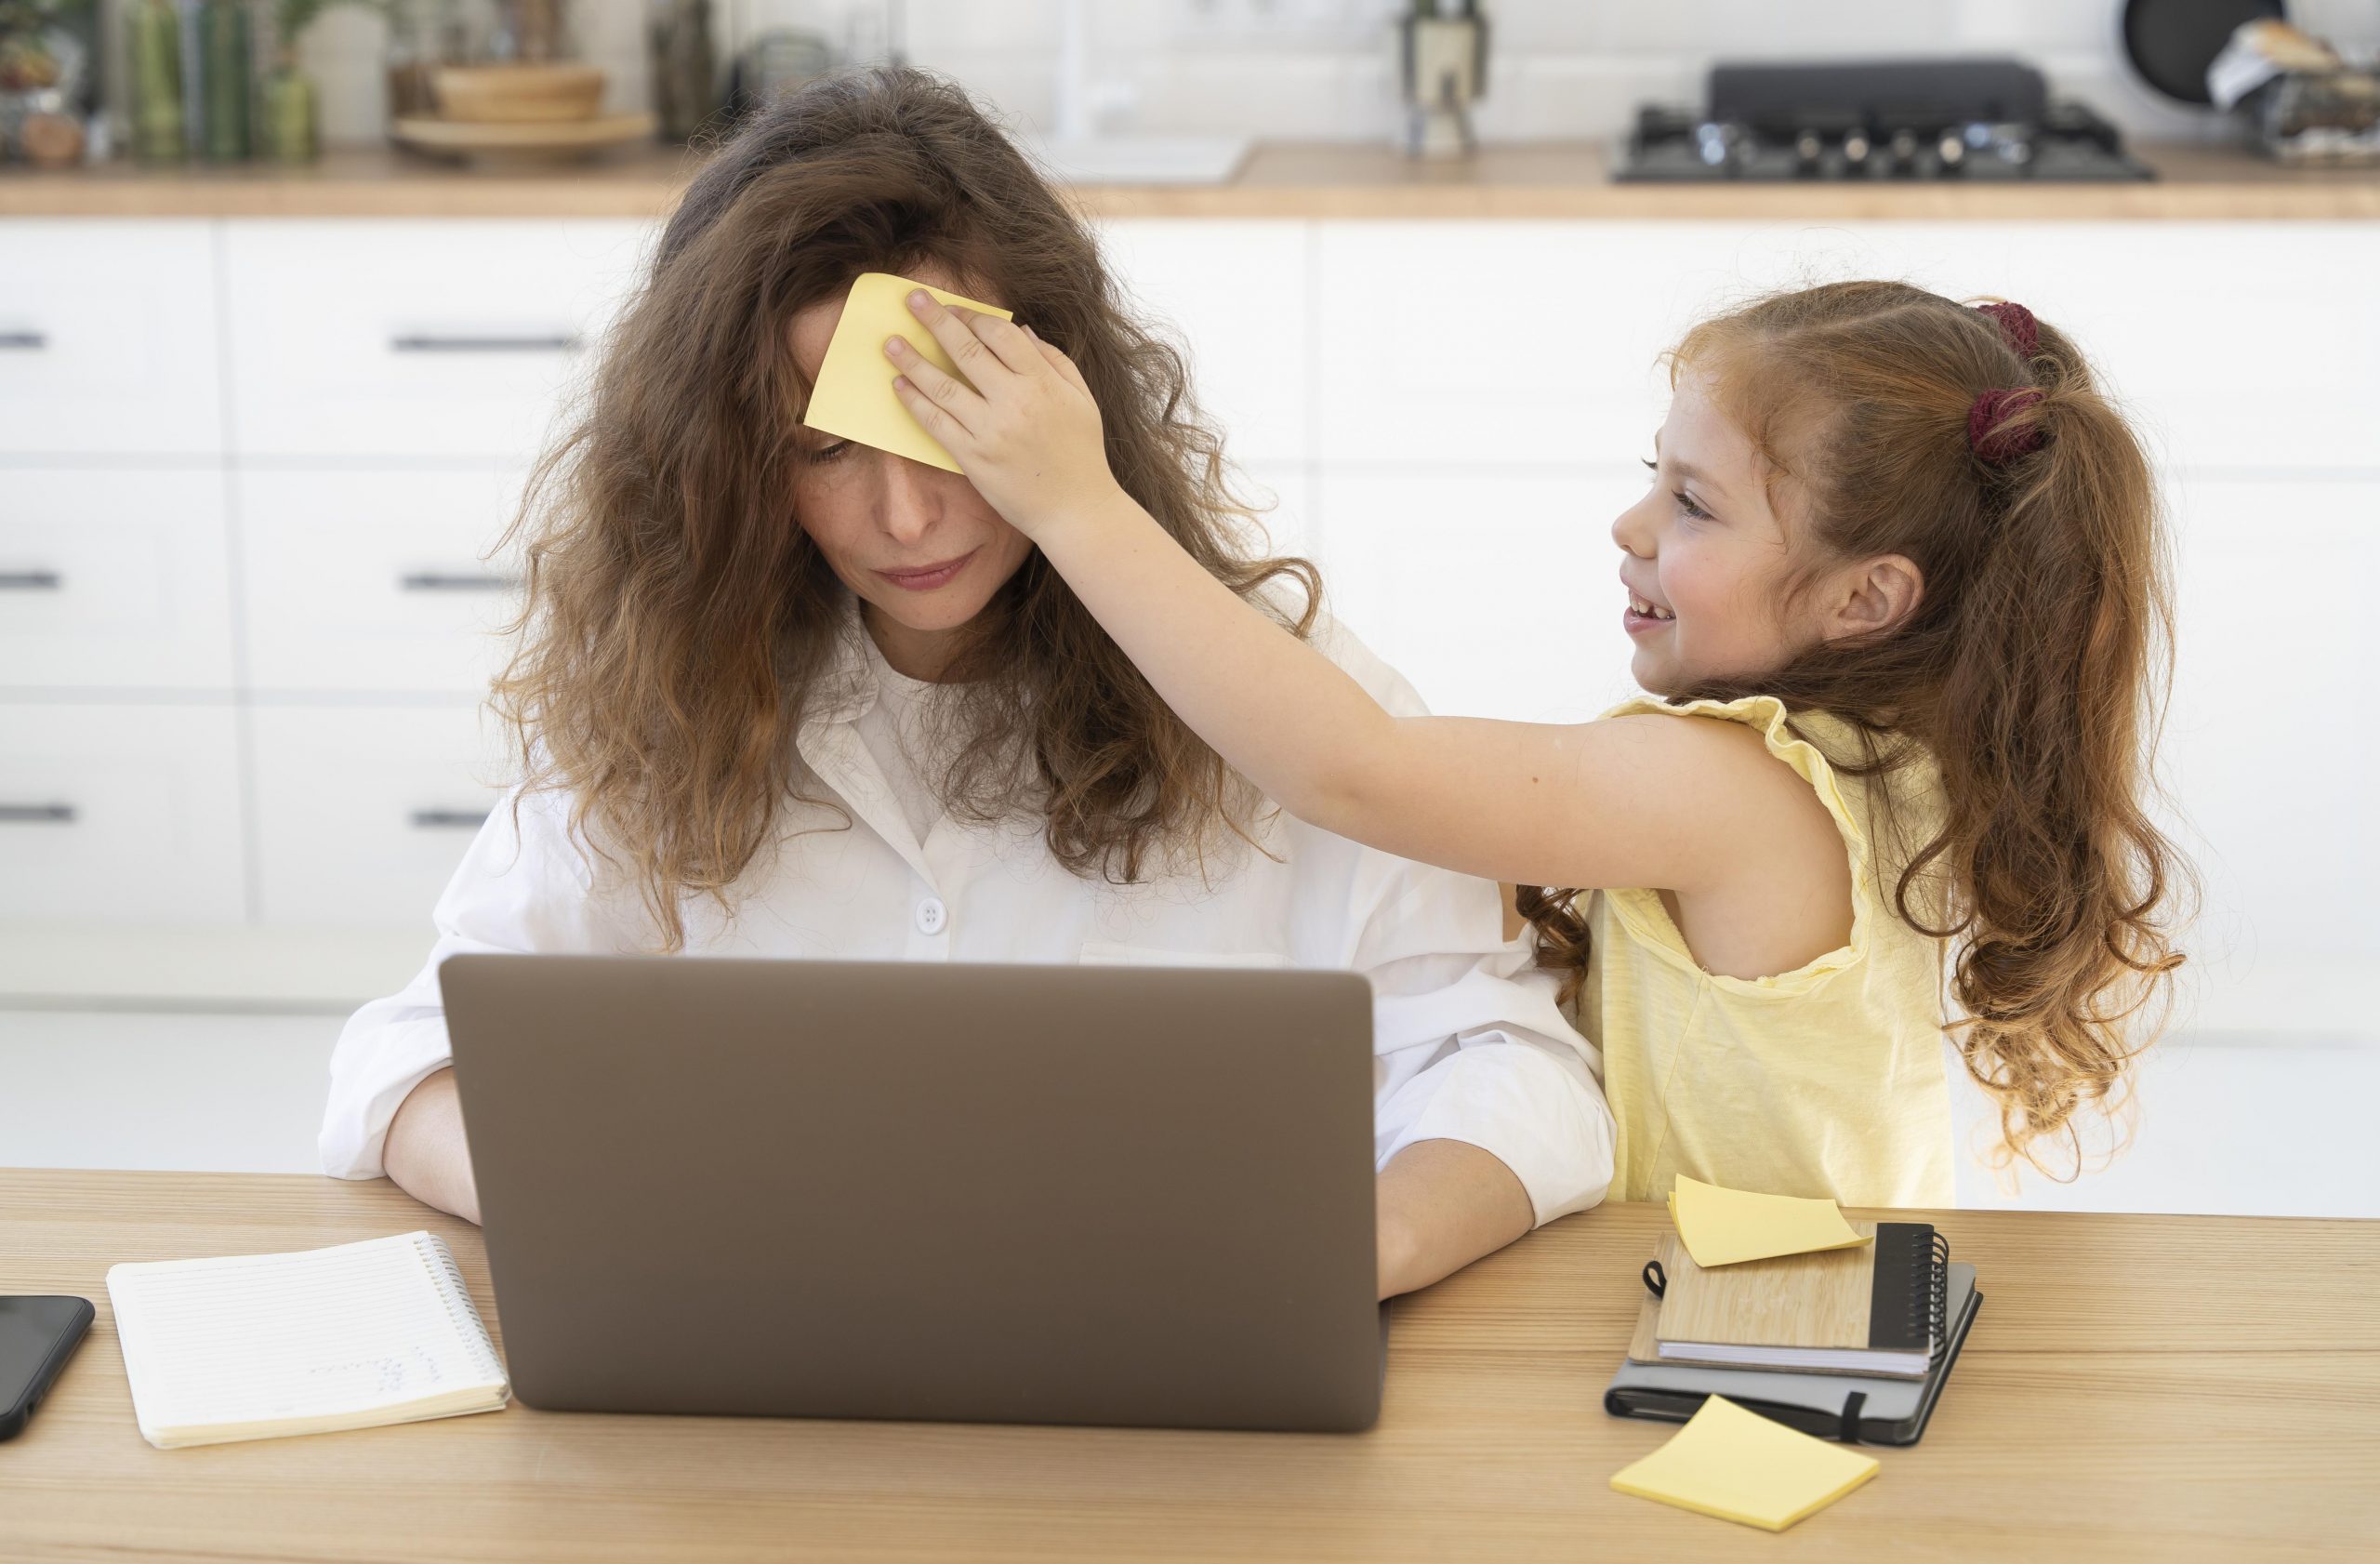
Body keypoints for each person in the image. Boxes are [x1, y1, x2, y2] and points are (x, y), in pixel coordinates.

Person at [318, 69, 1615, 1300]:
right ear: (725, 461)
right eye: (824, 449)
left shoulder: (1267, 689)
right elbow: (410, 1062)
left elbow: (1511, 1067)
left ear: (1062, 397)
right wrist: (620, 1214)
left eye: (951, 426)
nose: (906, 514)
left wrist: (1351, 1252)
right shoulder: (675, 688)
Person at [886, 277, 2189, 1207]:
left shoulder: (1735, 790)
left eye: (1693, 502)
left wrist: (1072, 502)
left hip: (1755, 1331)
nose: (1633, 526)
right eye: (1654, 475)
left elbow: (1354, 770)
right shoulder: (1892, 756)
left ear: (1865, 599)